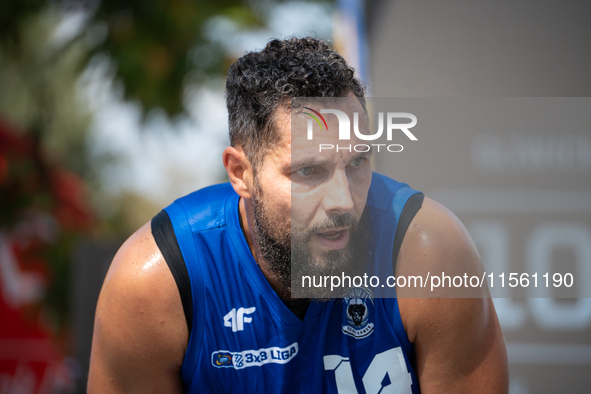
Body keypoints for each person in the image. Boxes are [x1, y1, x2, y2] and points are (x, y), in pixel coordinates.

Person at [87, 37, 508, 393]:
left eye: (357, 163)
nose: (343, 200)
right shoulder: (158, 280)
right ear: (241, 173)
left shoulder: (426, 252)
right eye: (309, 171)